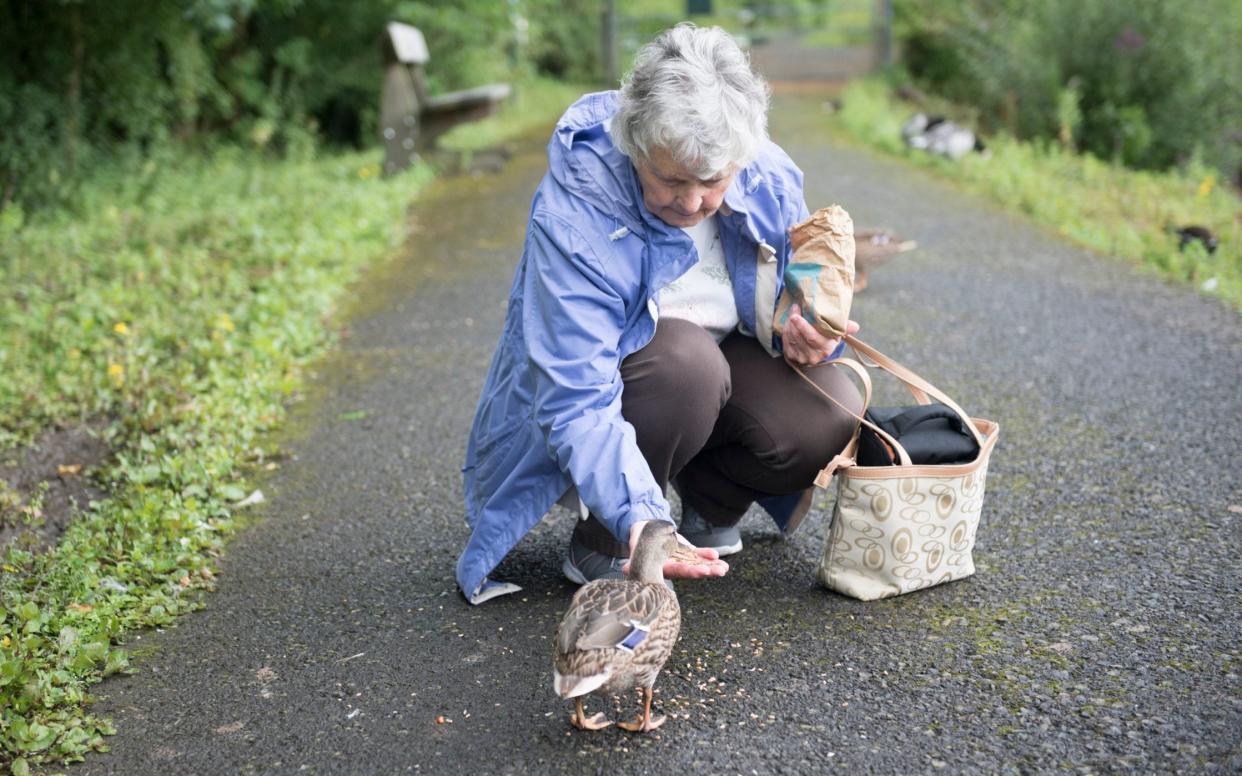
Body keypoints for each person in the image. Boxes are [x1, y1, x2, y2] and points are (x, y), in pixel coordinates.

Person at [457, 24, 862, 604]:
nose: (693, 203)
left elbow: (801, 276)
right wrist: (638, 518)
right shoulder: (575, 210)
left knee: (832, 408)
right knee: (686, 365)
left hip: (717, 376)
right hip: (638, 384)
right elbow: (574, 394)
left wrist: (812, 332)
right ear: (634, 145)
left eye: (714, 182)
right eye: (671, 180)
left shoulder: (764, 171)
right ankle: (607, 538)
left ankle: (709, 499)